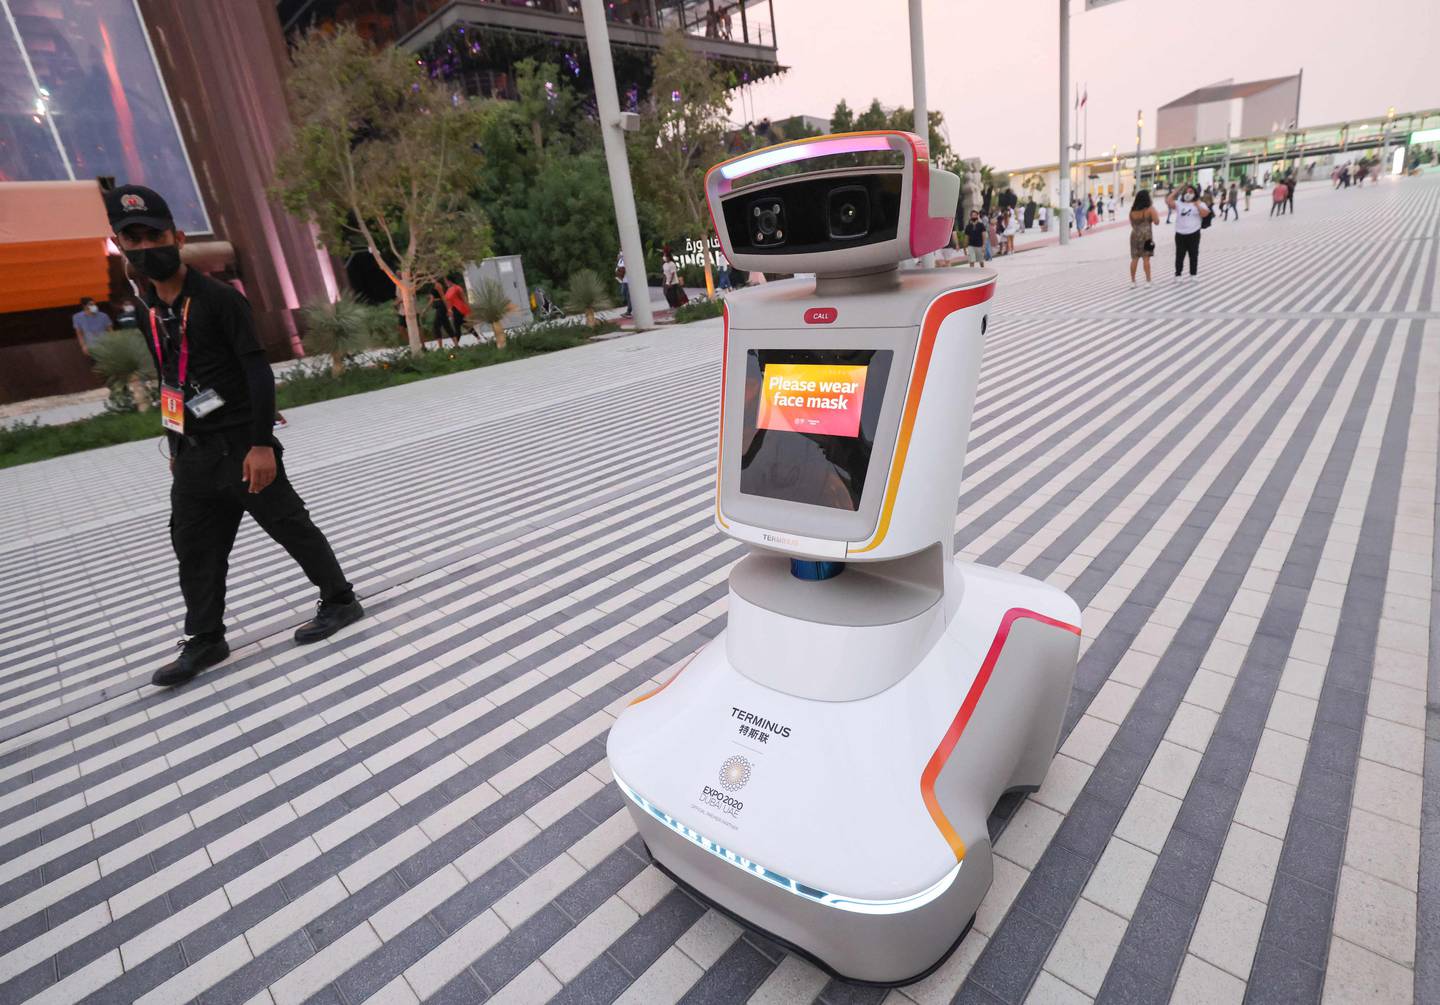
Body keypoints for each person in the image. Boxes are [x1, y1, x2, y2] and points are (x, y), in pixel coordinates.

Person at [105, 184, 363, 687]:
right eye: (131, 240)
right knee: (193, 548)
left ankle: (340, 600)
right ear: (119, 246)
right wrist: (175, 444)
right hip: (195, 455)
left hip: (241, 448)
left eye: (153, 236)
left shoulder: (220, 299)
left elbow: (257, 373)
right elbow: (170, 378)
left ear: (177, 237)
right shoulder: (147, 311)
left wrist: (261, 443)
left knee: (290, 526)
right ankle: (205, 639)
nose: (144, 248)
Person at [1166, 182, 1209, 278]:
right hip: (1180, 233)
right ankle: (1178, 274)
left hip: (1194, 233)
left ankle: (1193, 274)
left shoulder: (1200, 203)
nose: (1188, 193)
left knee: (1193, 254)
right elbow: (1168, 200)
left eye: (1191, 191)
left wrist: (1197, 205)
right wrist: (1178, 189)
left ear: (1195, 193)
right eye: (1186, 191)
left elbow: (1205, 214)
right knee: (1179, 255)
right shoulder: (1179, 203)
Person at [1128, 189, 1160, 285]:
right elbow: (1157, 222)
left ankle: (1133, 281)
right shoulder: (1150, 209)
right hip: (1146, 236)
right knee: (1146, 258)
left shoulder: (1132, 211)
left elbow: (1132, 224)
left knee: (1134, 258)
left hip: (1134, 235)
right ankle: (1148, 281)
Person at [441, 277, 470, 345]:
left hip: (459, 308)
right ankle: (477, 337)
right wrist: (449, 310)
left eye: (446, 282)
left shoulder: (457, 288)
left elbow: (463, 298)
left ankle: (456, 345)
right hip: (453, 309)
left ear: (450, 281)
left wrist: (468, 307)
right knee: (463, 323)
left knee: (457, 326)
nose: (445, 283)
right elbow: (448, 301)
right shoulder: (448, 290)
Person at [614, 251, 631, 317]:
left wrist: (619, 273)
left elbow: (622, 269)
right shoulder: (620, 259)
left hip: (628, 280)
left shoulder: (625, 258)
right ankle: (630, 307)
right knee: (623, 293)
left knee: (628, 295)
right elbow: (619, 268)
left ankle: (629, 311)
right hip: (624, 280)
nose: (618, 254)